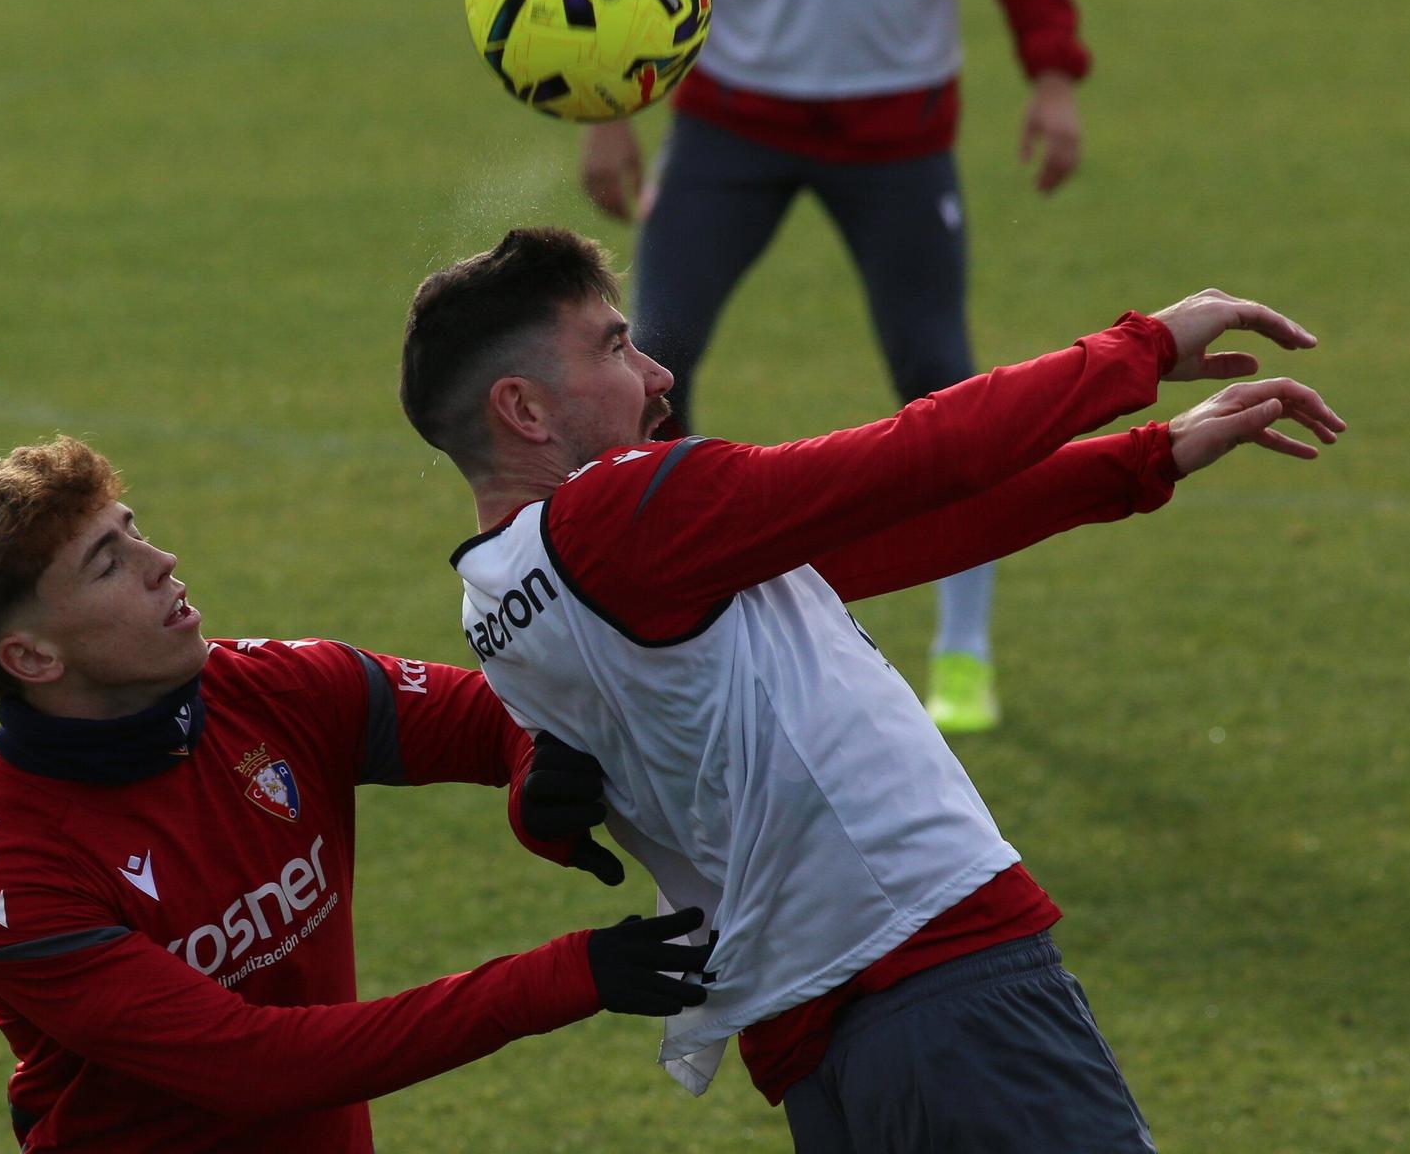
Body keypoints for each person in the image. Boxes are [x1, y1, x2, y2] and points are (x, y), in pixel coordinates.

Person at [398, 228, 1344, 1151]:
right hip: (939, 973)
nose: (657, 375)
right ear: (524, 410)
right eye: (614, 348)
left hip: (821, 1042)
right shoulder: (616, 512)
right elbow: (918, 453)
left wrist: (1145, 459)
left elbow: (885, 535)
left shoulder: (497, 599)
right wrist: (1142, 346)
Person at [0, 435, 711, 1153]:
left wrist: (535, 786)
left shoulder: (271, 688)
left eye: (134, 530)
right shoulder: (4, 869)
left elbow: (503, 719)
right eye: (108, 563)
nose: (161, 561)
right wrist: (563, 976)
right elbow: (253, 1064)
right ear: (34, 658)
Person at [579, 0, 1093, 732]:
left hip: (898, 130)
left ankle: (963, 648)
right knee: (650, 360)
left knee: (938, 373)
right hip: (729, 122)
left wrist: (1054, 75)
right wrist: (608, 109)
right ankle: (679, 618)